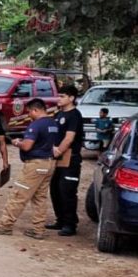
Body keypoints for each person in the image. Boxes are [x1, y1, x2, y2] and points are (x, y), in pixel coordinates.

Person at [0, 98, 59, 239]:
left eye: (29, 112)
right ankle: (39, 229)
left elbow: (27, 146)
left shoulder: (36, 125)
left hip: (35, 165)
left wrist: (17, 143)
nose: (29, 115)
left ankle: (5, 225)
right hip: (49, 163)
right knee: (40, 198)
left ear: (36, 110)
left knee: (19, 195)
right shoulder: (53, 123)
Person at [46, 85, 84, 237]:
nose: (58, 99)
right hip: (57, 158)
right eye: (59, 96)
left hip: (70, 158)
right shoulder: (59, 114)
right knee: (54, 188)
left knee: (67, 190)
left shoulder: (74, 115)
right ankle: (60, 220)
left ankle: (70, 224)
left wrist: (58, 150)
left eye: (62, 96)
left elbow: (69, 138)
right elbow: (54, 133)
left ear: (72, 98)